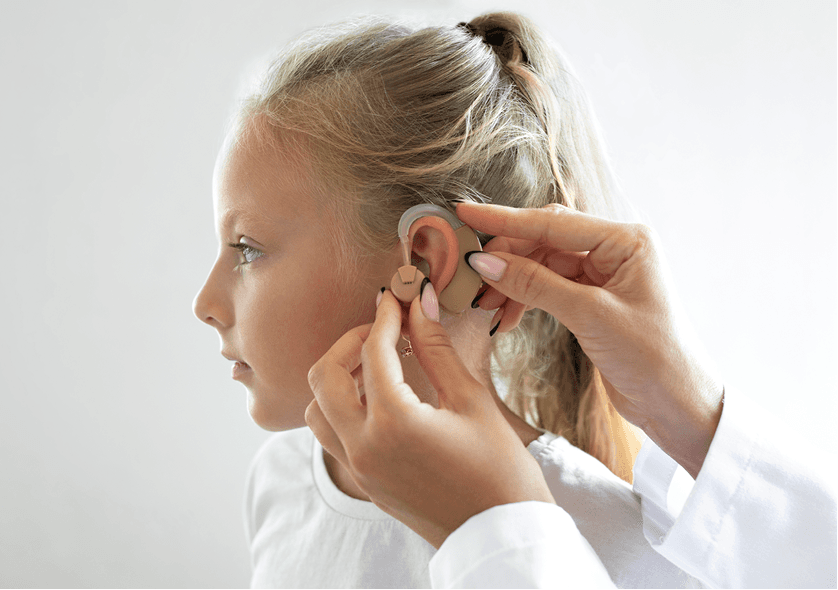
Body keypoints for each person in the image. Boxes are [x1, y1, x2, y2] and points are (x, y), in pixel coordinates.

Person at [192, 11, 834, 588]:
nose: (205, 302)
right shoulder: (281, 484)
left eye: (246, 248)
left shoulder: (618, 548)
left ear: (419, 259)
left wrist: (492, 528)